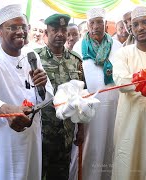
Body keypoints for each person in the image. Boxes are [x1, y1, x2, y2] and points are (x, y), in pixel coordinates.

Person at [0, 4, 54, 180]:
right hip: (4, 142)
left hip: (31, 138)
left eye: (23, 27)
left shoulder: (32, 55)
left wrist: (42, 86)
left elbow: (48, 95)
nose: (20, 32)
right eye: (13, 27)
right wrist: (4, 109)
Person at [72, 7, 122, 180]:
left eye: (99, 22)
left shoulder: (117, 46)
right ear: (87, 25)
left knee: (110, 143)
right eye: (92, 22)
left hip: (113, 106)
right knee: (90, 146)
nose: (96, 26)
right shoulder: (79, 47)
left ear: (106, 24)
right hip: (90, 109)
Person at [35, 14, 84, 180]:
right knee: (38, 173)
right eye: (54, 30)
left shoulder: (76, 60)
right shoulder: (35, 58)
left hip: (66, 132)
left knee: (61, 174)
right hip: (41, 132)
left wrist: (81, 130)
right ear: (46, 33)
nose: (60, 34)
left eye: (63, 30)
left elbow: (82, 97)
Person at [112, 6, 146, 180]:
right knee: (128, 168)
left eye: (145, 22)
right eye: (136, 24)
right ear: (130, 29)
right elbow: (120, 81)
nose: (141, 27)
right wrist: (141, 82)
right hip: (130, 123)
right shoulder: (123, 53)